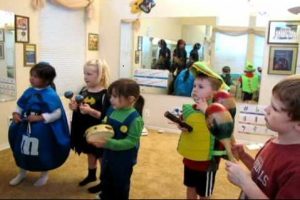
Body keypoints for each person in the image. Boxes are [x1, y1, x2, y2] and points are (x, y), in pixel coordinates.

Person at [226, 74, 300, 199]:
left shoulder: (296, 168)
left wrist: (245, 183)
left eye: (275, 109)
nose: (266, 109)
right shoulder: (273, 141)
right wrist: (244, 157)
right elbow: (264, 176)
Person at [8, 62, 70, 187]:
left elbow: (57, 113)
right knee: (22, 150)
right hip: (25, 127)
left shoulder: (51, 95)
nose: (31, 78)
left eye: (35, 76)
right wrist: (16, 113)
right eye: (31, 75)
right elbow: (20, 105)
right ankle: (22, 172)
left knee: (42, 151)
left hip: (42, 131)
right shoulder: (28, 91)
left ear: (46, 80)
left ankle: (44, 174)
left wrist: (40, 117)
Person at [176, 61, 229, 199]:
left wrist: (207, 110)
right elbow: (185, 124)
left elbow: (222, 130)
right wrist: (181, 125)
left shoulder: (218, 111)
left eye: (200, 86)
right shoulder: (189, 109)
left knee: (204, 194)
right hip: (190, 158)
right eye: (194, 86)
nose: (195, 89)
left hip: (207, 162)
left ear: (214, 93)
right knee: (190, 188)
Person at [90, 78, 144, 200]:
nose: (111, 99)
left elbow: (131, 142)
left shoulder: (136, 120)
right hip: (108, 154)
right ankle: (105, 195)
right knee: (105, 177)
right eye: (111, 96)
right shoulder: (111, 110)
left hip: (124, 159)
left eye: (115, 96)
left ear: (130, 99)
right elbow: (105, 124)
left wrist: (108, 143)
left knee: (120, 184)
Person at [69, 59, 111, 193]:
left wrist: (90, 111)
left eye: (89, 74)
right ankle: (91, 176)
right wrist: (74, 107)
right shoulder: (83, 90)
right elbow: (79, 110)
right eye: (84, 73)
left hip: (98, 132)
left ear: (101, 75)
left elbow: (106, 117)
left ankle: (104, 182)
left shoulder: (106, 95)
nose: (85, 77)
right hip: (84, 129)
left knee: (100, 156)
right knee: (90, 153)